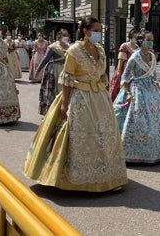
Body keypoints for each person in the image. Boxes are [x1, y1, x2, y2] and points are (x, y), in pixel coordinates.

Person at [22, 17, 127, 192]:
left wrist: (105, 92)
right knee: (80, 134)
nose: (99, 33)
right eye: (96, 30)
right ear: (86, 31)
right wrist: (64, 103)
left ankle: (105, 174)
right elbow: (66, 78)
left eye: (100, 30)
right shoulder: (74, 50)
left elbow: (102, 74)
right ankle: (72, 177)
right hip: (79, 98)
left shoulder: (99, 49)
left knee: (104, 134)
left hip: (99, 98)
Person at [113, 31, 160, 164]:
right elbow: (124, 77)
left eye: (152, 40)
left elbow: (154, 76)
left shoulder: (152, 56)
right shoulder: (134, 57)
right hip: (137, 89)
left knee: (156, 119)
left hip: (151, 91)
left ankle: (156, 149)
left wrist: (158, 88)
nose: (151, 42)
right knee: (138, 118)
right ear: (141, 41)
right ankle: (133, 150)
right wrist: (128, 93)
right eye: (148, 40)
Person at [36, 29, 70, 115]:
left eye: (67, 35)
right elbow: (45, 59)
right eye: (64, 35)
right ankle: (53, 111)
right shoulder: (53, 47)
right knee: (54, 91)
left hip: (67, 70)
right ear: (59, 37)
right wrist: (38, 69)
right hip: (55, 70)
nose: (66, 37)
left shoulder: (70, 47)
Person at [109, 29, 139, 101]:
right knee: (119, 86)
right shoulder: (124, 46)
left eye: (137, 37)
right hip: (124, 69)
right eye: (134, 36)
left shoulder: (137, 47)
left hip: (133, 71)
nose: (136, 38)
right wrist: (119, 71)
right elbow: (121, 60)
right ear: (131, 36)